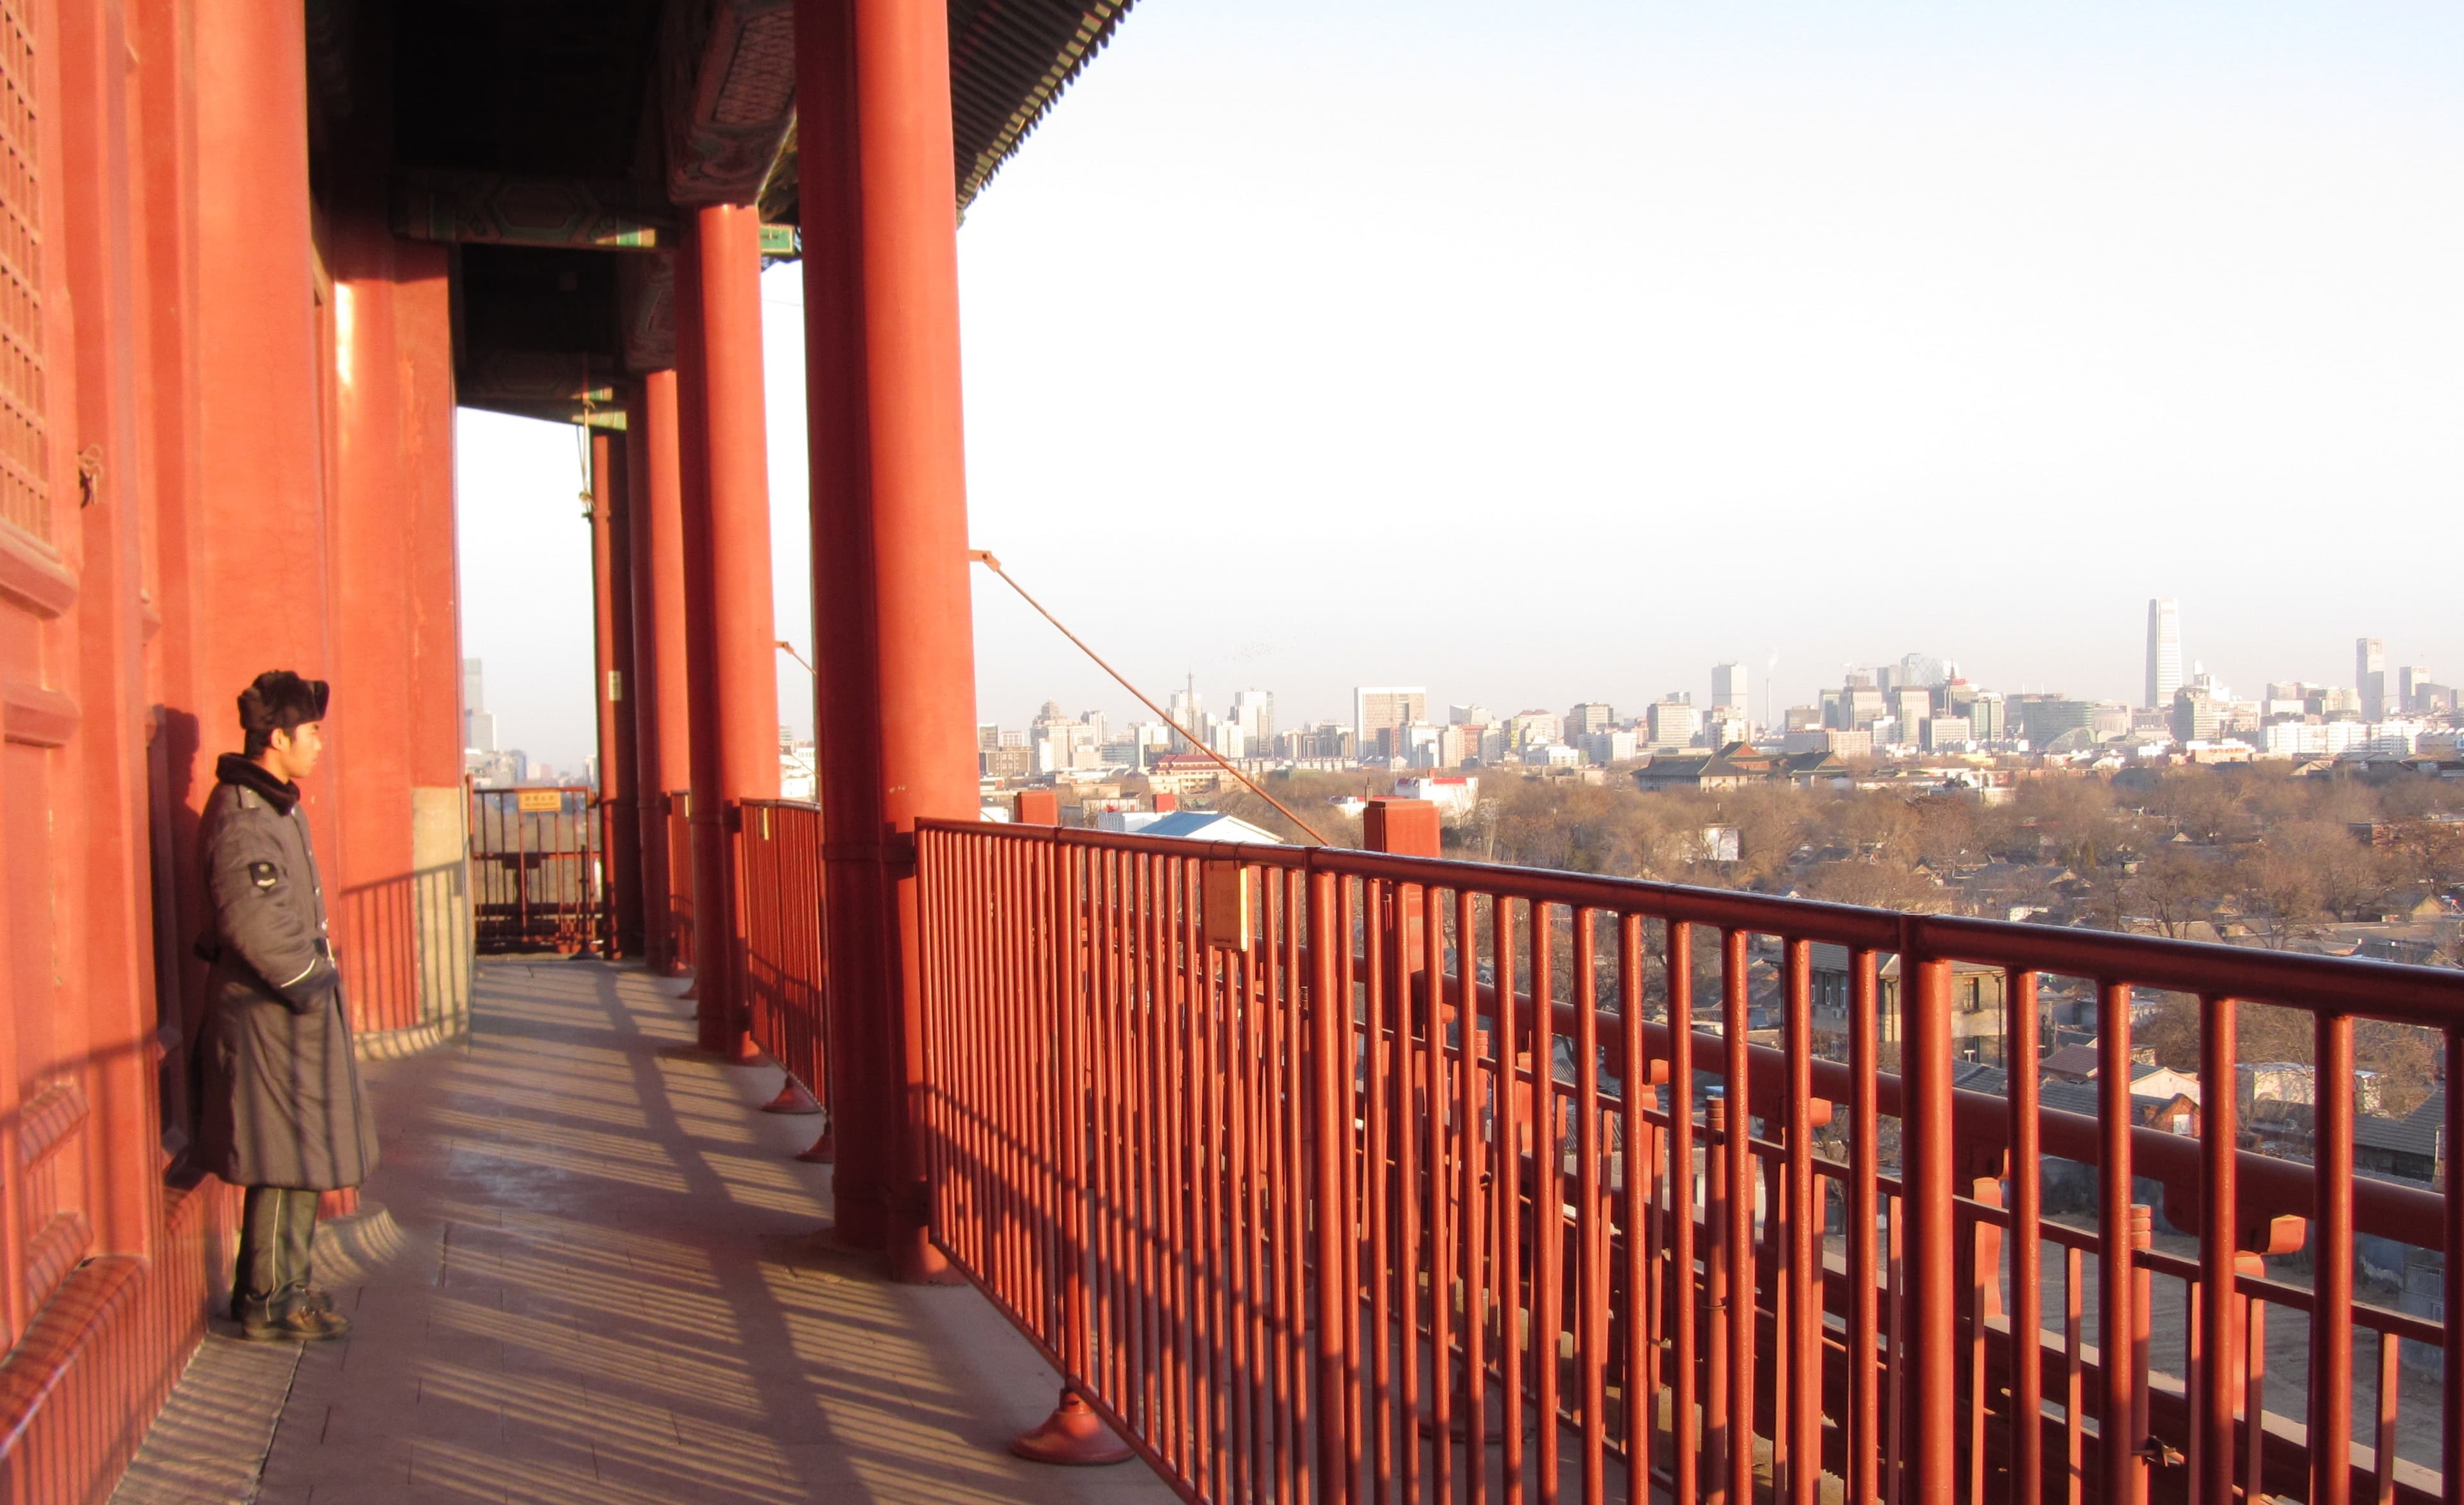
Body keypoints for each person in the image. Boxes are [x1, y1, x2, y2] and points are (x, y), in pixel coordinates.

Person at [194, 670, 379, 1341]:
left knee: (302, 1154)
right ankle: (266, 1298)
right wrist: (311, 981)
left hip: (288, 1015)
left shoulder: (272, 805)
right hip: (269, 1015)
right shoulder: (245, 816)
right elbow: (256, 924)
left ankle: (289, 1288)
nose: (320, 745)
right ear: (279, 737)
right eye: (313, 733)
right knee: (279, 1159)